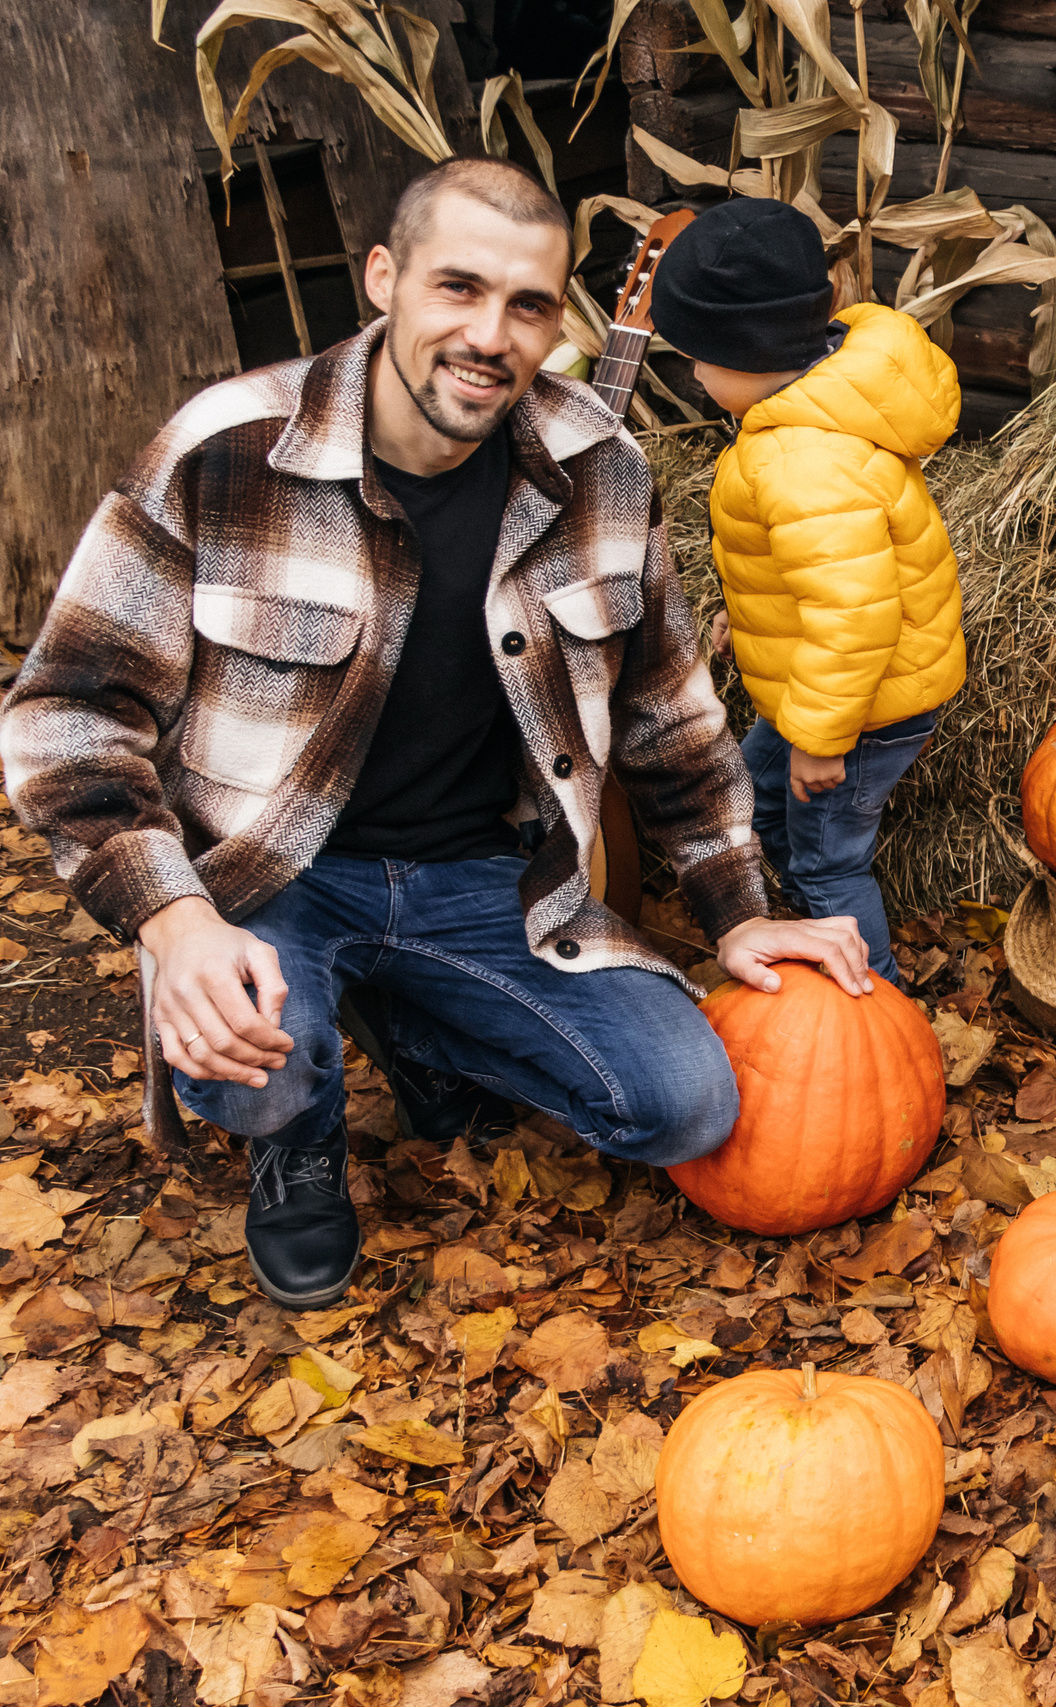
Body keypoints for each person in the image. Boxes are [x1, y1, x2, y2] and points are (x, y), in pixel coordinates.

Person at [0, 159, 872, 1313]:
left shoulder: (600, 468)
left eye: (527, 306)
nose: (489, 335)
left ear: (557, 323)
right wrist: (176, 921)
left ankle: (406, 1015)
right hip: (265, 877)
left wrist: (739, 910)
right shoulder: (227, 450)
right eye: (457, 288)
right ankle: (295, 1138)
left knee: (683, 1106)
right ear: (383, 278)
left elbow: (668, 714)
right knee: (249, 1067)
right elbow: (67, 707)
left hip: (485, 879)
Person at [646, 199, 964, 987]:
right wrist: (747, 616)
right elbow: (815, 573)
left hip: (858, 708)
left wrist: (823, 740)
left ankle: (874, 999)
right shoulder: (812, 406)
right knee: (756, 790)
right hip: (826, 689)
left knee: (829, 857)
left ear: (747, 350)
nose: (692, 375)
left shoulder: (802, 461)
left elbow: (854, 616)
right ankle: (795, 918)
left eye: (697, 357)